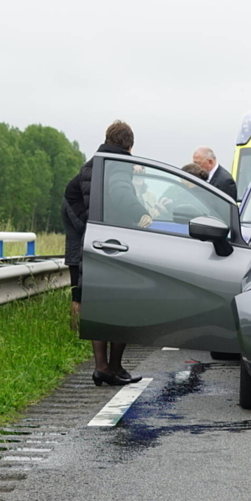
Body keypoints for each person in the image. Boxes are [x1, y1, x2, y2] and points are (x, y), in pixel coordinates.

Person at [62, 120, 150, 387]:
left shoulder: (91, 164)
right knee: (125, 308)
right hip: (115, 246)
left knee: (99, 308)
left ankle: (103, 368)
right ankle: (114, 366)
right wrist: (141, 214)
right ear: (129, 144)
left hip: (93, 247)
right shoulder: (117, 166)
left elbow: (70, 195)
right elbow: (120, 194)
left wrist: (88, 225)